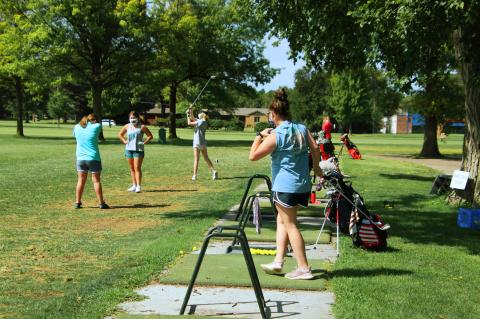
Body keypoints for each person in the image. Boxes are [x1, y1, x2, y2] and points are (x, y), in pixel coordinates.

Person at [249, 88, 322, 280]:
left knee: (290, 224)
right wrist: (318, 169)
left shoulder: (275, 135)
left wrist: (259, 135)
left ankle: (304, 268)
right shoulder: (302, 128)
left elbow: (253, 156)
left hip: (285, 187)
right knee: (282, 220)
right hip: (302, 185)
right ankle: (278, 262)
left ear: (273, 115)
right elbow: (315, 147)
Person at [73, 113, 109, 209]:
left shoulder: (76, 127)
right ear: (95, 120)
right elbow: (96, 125)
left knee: (80, 180)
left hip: (80, 158)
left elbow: (77, 134)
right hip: (93, 158)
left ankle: (77, 202)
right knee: (96, 181)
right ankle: (101, 203)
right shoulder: (97, 126)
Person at [118, 111, 153, 193]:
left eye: (134, 118)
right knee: (132, 168)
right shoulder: (127, 126)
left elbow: (150, 136)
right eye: (131, 118)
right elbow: (120, 134)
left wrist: (144, 142)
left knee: (137, 168)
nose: (132, 119)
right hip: (129, 150)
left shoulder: (142, 127)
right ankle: (134, 185)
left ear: (137, 118)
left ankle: (138, 186)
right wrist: (124, 141)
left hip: (138, 150)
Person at [186, 106, 218, 181]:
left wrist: (187, 115)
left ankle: (194, 175)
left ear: (203, 115)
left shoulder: (201, 121)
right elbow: (193, 117)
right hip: (203, 143)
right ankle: (214, 171)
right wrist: (190, 111)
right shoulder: (203, 121)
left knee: (196, 159)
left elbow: (189, 122)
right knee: (206, 158)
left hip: (197, 142)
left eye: (200, 113)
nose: (199, 113)